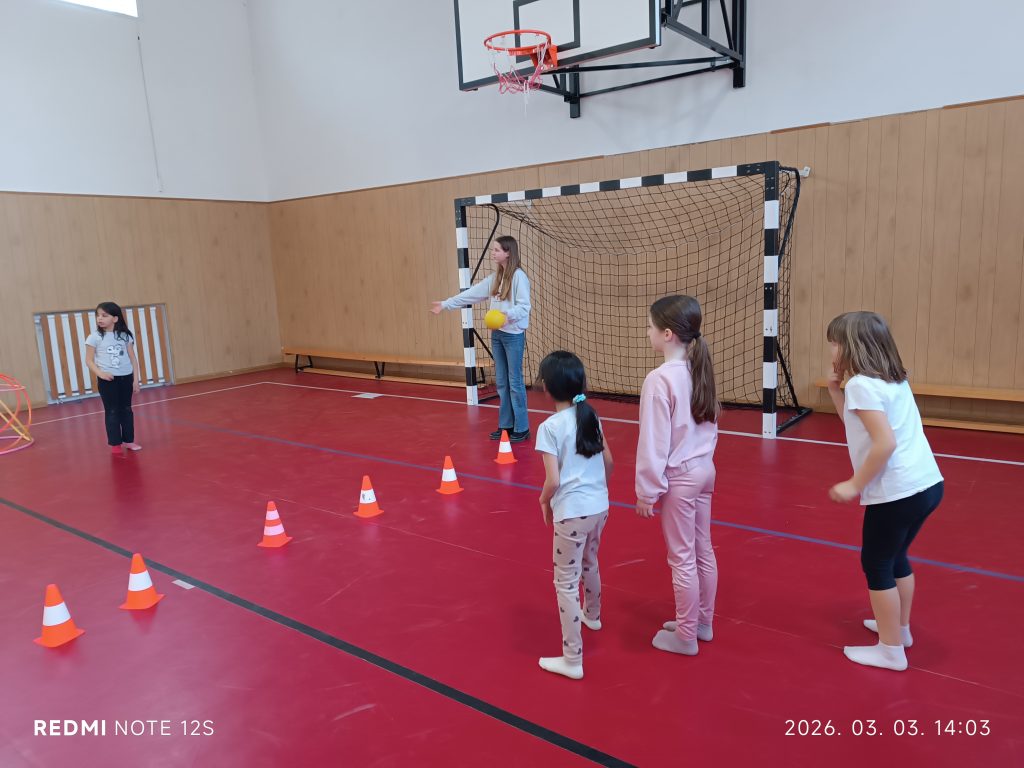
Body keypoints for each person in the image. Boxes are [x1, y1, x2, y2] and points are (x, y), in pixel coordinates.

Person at [826, 311, 944, 671]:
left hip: (898, 492)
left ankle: (890, 650)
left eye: (834, 343)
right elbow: (856, 423)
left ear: (851, 346)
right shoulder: (892, 380)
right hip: (927, 485)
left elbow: (884, 443)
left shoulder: (862, 385)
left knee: (876, 563)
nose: (831, 350)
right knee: (895, 558)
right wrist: (834, 390)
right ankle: (899, 631)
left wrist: (855, 484)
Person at [636, 295, 719, 657]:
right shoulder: (696, 369)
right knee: (702, 550)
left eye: (650, 327)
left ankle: (686, 636)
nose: (648, 333)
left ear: (667, 334)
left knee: (682, 557)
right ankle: (701, 623)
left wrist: (647, 490)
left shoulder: (659, 379)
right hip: (704, 471)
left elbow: (654, 441)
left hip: (682, 479)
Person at [535, 351, 613, 680]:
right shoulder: (591, 416)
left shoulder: (549, 427)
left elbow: (553, 481)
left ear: (546, 388)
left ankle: (572, 659)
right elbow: (608, 462)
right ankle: (592, 615)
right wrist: (598, 491)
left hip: (572, 513)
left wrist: (543, 500)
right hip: (600, 508)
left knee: (565, 583)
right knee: (590, 561)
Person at [431, 236, 531, 441]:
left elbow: (524, 307)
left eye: (497, 250)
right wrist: (446, 304)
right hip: (497, 335)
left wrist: (507, 316)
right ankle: (506, 425)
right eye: (493, 249)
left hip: (513, 336)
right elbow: (471, 294)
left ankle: (522, 427)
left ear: (508, 253)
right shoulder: (495, 278)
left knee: (515, 382)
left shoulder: (519, 277)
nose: (493, 253)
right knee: (501, 382)